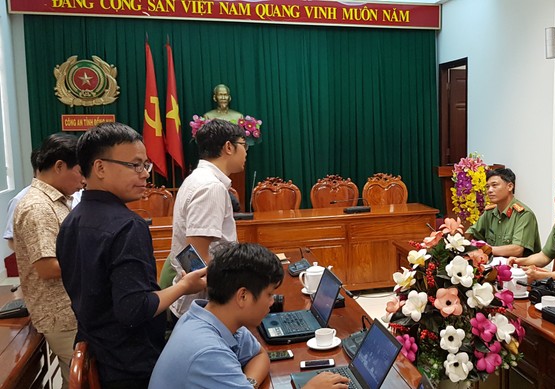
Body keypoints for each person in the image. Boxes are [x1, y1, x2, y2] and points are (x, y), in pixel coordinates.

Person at [56, 122, 207, 388]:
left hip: (101, 350)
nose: (145, 174)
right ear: (100, 168)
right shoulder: (127, 226)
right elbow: (135, 308)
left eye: (145, 165)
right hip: (133, 365)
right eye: (135, 165)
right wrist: (185, 286)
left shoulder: (73, 220)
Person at [149, 242, 349, 389]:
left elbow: (259, 354)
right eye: (269, 294)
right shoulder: (208, 352)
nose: (273, 302)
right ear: (242, 296)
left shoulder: (211, 316)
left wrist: (246, 384)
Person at [12, 134, 85, 387]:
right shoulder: (38, 208)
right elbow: (47, 268)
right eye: (80, 172)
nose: (84, 180)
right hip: (60, 315)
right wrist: (95, 260)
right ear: (59, 166)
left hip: (70, 310)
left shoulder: (57, 202)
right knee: (80, 380)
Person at [169, 119, 247, 317]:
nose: (246, 152)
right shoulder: (210, 187)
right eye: (244, 146)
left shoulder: (198, 178)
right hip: (204, 308)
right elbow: (194, 256)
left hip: (200, 303)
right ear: (229, 147)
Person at [464, 168, 540, 257]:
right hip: (492, 266)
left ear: (510, 186)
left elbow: (517, 250)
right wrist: (456, 238)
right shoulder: (489, 213)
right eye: (487, 187)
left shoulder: (524, 214)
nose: (489, 190)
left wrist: (484, 249)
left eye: (494, 185)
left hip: (519, 268)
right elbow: (471, 233)